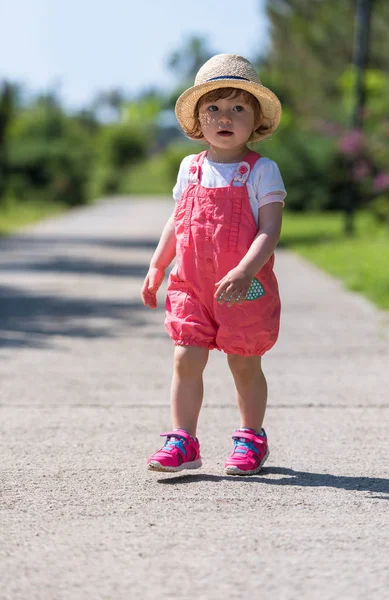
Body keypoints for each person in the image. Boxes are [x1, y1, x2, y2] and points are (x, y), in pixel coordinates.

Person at [141, 54, 286, 475]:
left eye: (238, 108)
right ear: (198, 121)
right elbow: (178, 220)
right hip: (191, 285)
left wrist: (245, 269)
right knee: (185, 357)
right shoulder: (190, 168)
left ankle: (251, 438)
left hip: (242, 286)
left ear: (256, 119)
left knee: (243, 361)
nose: (225, 116)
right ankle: (183, 439)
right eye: (214, 108)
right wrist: (157, 265)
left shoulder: (262, 172)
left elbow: (270, 229)